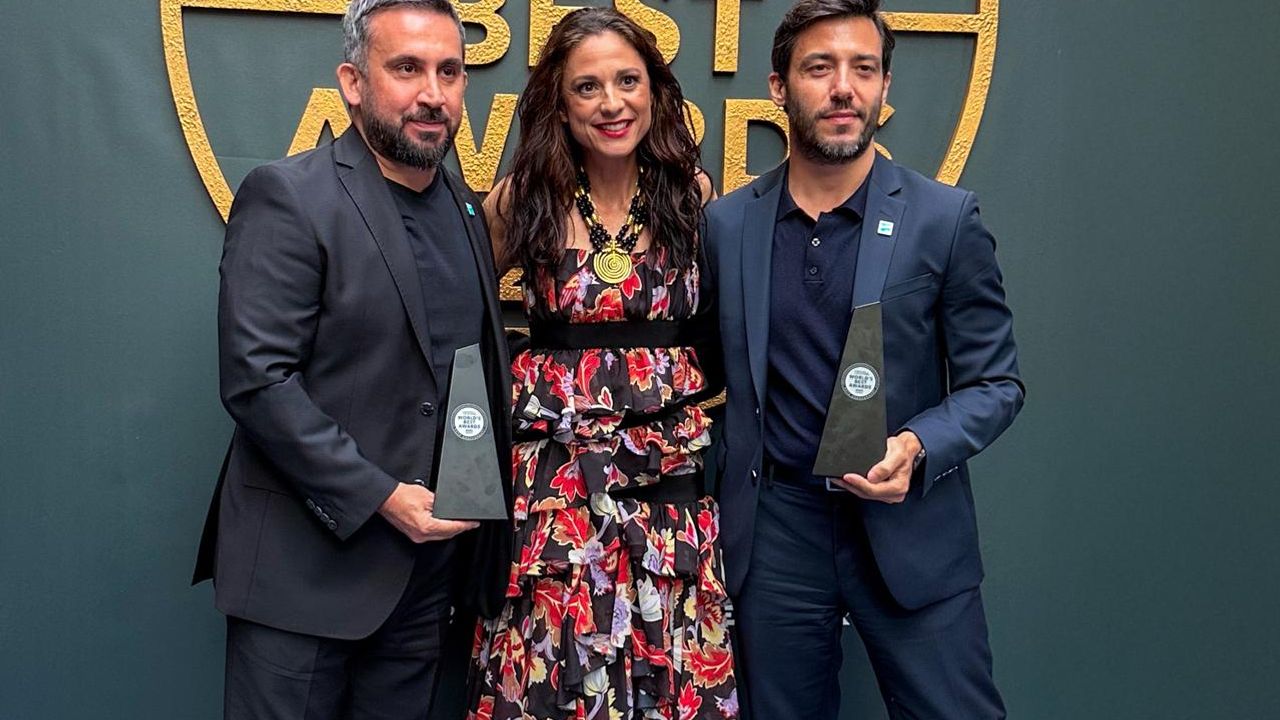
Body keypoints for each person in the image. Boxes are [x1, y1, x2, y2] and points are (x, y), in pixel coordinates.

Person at [702, 0, 1025, 718]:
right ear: (779, 87)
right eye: (820, 68)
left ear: (885, 87)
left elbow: (997, 383)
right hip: (776, 536)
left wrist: (916, 445)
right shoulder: (726, 224)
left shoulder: (945, 219)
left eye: (864, 69)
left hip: (911, 531)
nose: (844, 88)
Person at [191, 1, 512, 717]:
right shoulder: (289, 195)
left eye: (450, 72)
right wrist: (381, 497)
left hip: (425, 588)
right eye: (407, 69)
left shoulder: (465, 209)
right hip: (301, 579)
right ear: (353, 82)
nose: (432, 93)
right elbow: (258, 382)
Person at [466, 8, 737, 720]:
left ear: (655, 91)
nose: (612, 103)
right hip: (557, 480)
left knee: (667, 649)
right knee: (553, 658)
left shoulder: (693, 197)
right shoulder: (524, 198)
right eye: (587, 87)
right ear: (559, 103)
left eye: (628, 81)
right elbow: (454, 310)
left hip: (664, 476)